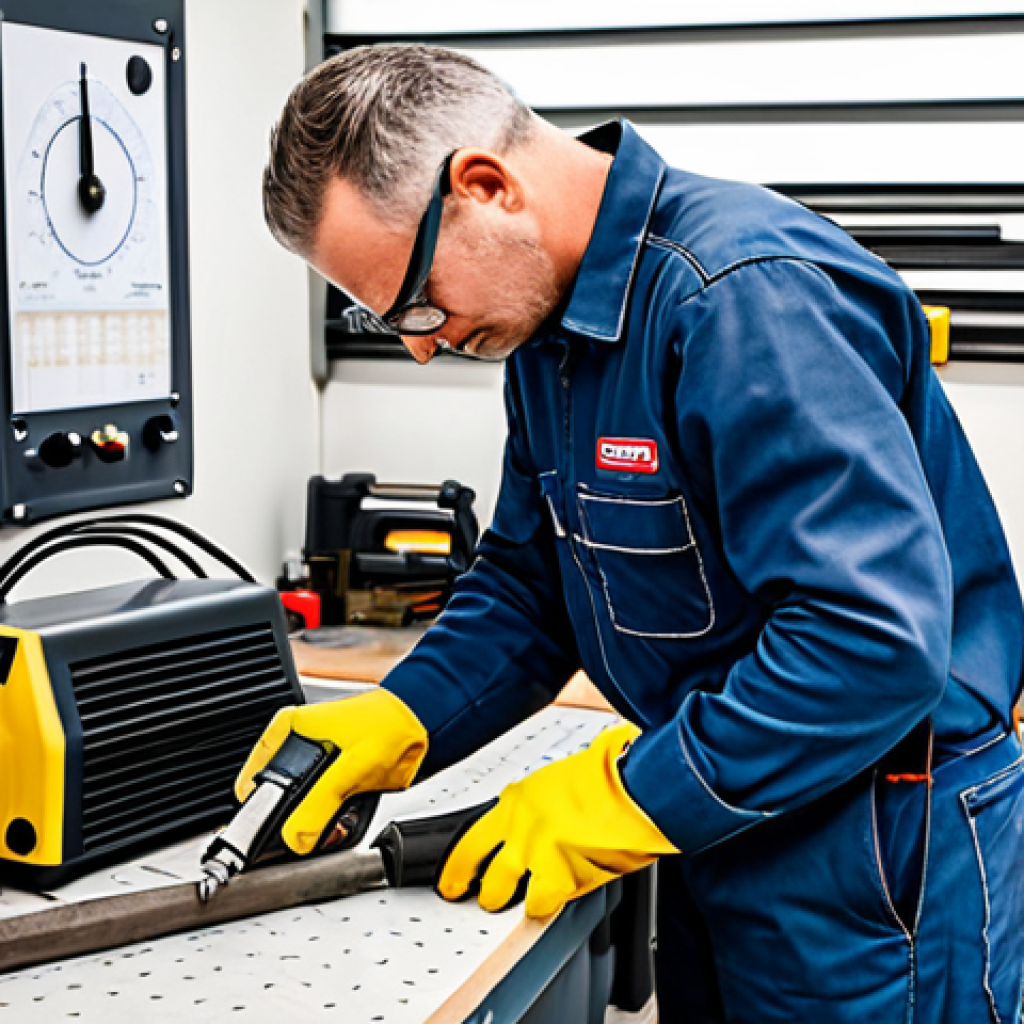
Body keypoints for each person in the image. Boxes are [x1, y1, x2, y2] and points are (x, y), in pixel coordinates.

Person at [237, 43, 1024, 1023]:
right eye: (381, 318)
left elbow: (869, 639)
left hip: (872, 853)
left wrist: (620, 796)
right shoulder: (547, 326)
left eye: (416, 301)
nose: (419, 345)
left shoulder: (740, 296)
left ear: (485, 186)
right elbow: (530, 587)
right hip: (716, 815)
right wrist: (403, 717)